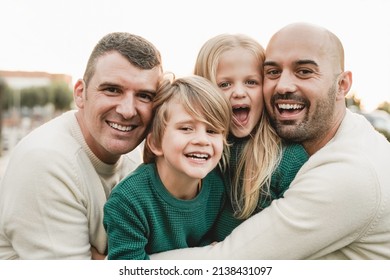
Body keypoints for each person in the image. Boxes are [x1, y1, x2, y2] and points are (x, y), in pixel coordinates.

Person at [150, 22, 390, 259]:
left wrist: (122, 266)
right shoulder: (216, 152)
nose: (283, 86)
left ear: (342, 85)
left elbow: (228, 262)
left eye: (304, 71)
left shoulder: (351, 174)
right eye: (273, 72)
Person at [0, 32, 163, 259]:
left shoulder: (139, 158)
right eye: (112, 90)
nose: (127, 110)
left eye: (144, 95)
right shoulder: (46, 161)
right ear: (80, 93)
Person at [193, 34, 308, 241]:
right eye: (224, 85)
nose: (239, 92)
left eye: (251, 82)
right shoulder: (197, 154)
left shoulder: (287, 159)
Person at [103, 75, 231, 259]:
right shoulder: (128, 202)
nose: (202, 140)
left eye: (212, 131)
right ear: (155, 142)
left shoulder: (218, 187)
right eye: (186, 128)